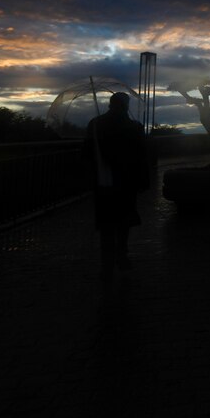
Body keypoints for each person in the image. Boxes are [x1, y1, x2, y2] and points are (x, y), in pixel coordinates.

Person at [84, 92, 149, 279]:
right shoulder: (134, 126)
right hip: (127, 181)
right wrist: (144, 180)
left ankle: (106, 262)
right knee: (124, 220)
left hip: (103, 180)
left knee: (106, 222)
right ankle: (122, 254)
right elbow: (141, 156)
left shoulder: (95, 124)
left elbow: (87, 153)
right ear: (125, 105)